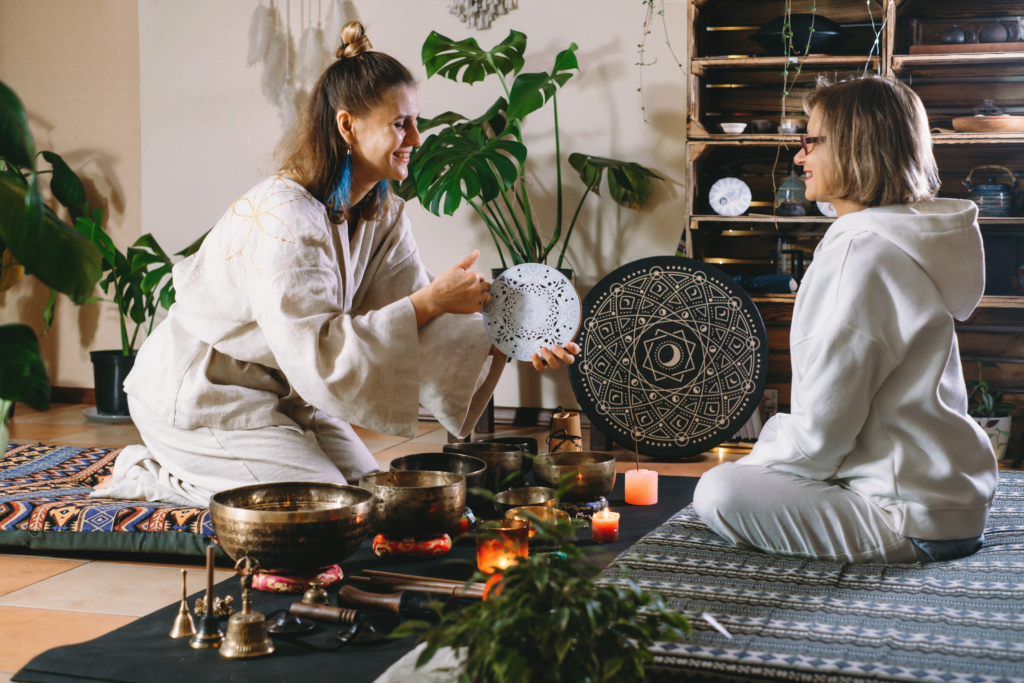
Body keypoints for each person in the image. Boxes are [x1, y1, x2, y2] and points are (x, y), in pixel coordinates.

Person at [96, 22, 578, 506]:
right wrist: (429, 300)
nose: (416, 136)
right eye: (399, 123)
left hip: (289, 394)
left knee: (374, 495)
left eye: (415, 120)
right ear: (347, 126)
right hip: (207, 395)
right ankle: (150, 474)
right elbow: (321, 349)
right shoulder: (285, 216)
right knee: (326, 503)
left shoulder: (383, 212)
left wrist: (510, 337)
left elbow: (419, 321)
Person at [693, 76, 997, 564]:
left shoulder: (860, 253)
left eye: (809, 140)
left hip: (908, 517)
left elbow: (821, 436)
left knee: (718, 489)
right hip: (952, 503)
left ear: (856, 147)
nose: (799, 157)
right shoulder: (906, 240)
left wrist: (761, 464)